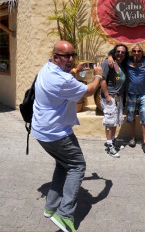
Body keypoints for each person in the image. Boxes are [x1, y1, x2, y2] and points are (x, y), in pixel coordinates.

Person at [31, 40, 103, 232]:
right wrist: (97, 76)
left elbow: (64, 78)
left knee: (63, 165)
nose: (71, 59)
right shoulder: (63, 80)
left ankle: (51, 206)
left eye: (73, 55)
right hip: (56, 132)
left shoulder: (47, 68)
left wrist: (73, 71)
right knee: (77, 165)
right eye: (66, 56)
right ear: (56, 57)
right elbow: (87, 91)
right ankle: (64, 215)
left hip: (41, 130)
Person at [101, 44, 128, 158]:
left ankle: (112, 140)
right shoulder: (108, 63)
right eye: (118, 51)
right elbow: (102, 79)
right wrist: (107, 96)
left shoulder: (121, 64)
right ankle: (109, 145)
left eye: (123, 52)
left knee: (115, 121)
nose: (120, 54)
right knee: (109, 122)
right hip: (110, 97)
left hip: (118, 97)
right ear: (114, 52)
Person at [126, 44, 145, 154]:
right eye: (134, 51)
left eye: (139, 51)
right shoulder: (127, 60)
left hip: (144, 94)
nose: (136, 53)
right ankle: (132, 137)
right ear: (131, 52)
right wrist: (109, 57)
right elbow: (114, 55)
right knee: (131, 117)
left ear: (142, 52)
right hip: (131, 93)